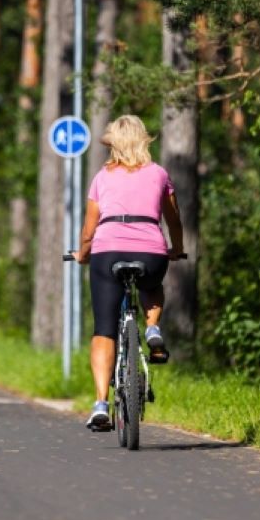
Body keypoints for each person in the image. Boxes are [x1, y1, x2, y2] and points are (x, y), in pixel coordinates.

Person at [71, 114, 185, 430]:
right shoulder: (159, 174)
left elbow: (89, 231)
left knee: (104, 330)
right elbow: (173, 219)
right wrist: (176, 248)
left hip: (107, 252)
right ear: (144, 140)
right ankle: (152, 327)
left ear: (113, 144)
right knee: (151, 284)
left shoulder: (102, 177)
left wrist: (82, 255)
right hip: (151, 250)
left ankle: (100, 404)